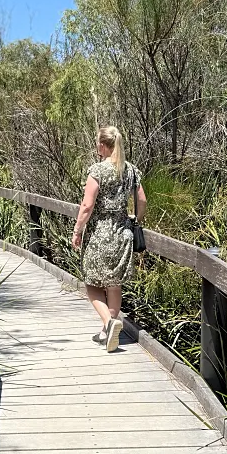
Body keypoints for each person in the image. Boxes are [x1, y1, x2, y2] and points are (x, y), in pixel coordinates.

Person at [71, 126, 147, 352]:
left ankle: (109, 322)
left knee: (92, 284)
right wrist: (135, 219)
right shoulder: (131, 170)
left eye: (98, 143)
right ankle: (108, 334)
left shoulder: (97, 170)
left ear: (103, 146)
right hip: (123, 233)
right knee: (114, 284)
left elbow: (87, 205)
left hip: (100, 234)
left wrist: (77, 230)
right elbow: (141, 200)